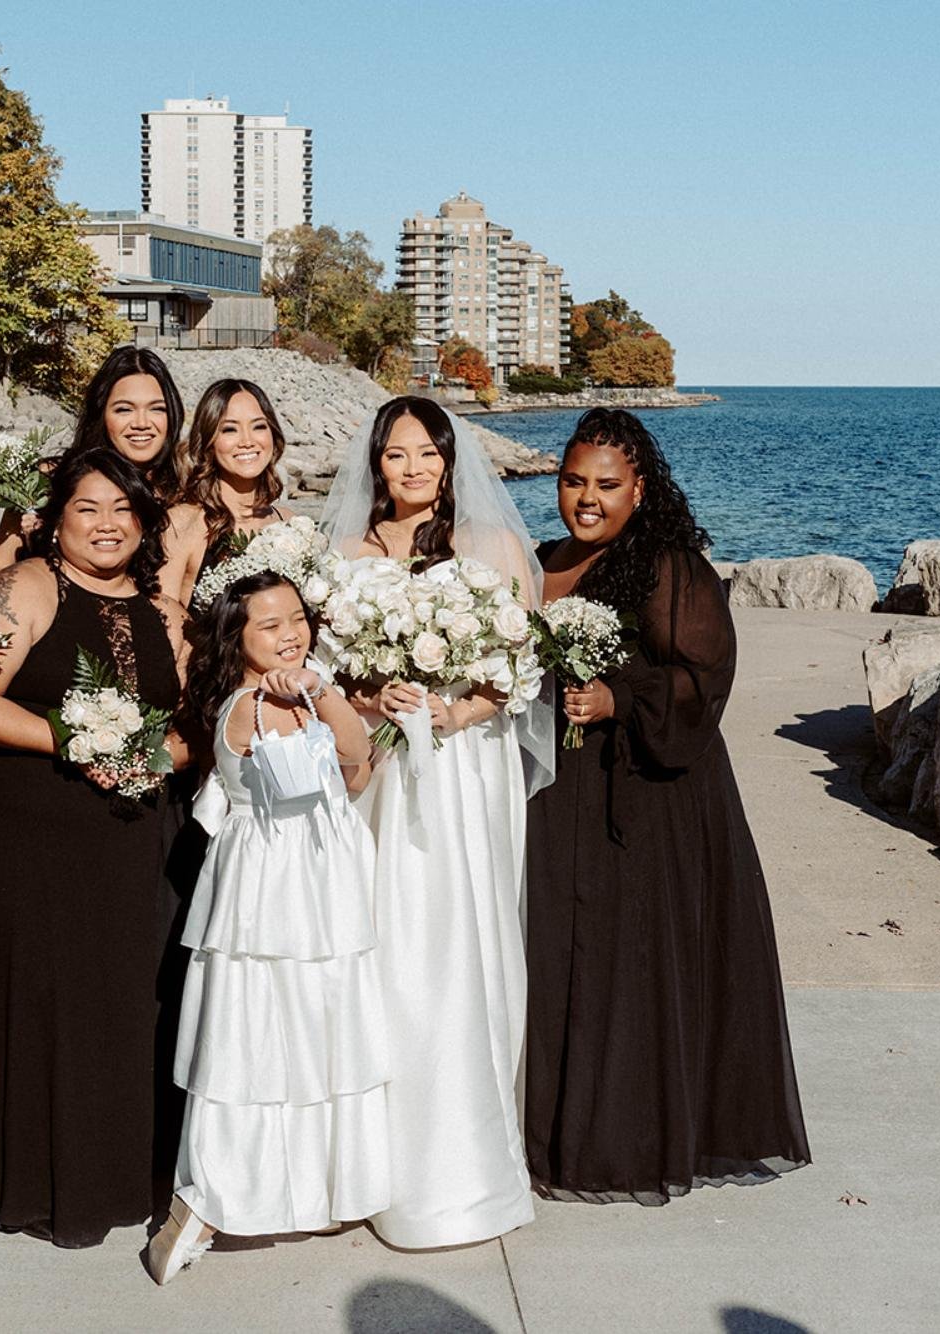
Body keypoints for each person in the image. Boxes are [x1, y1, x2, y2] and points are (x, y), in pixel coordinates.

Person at [525, 407, 810, 1204]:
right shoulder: (540, 560)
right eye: (573, 480)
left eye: (607, 485)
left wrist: (618, 696)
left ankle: (618, 1145)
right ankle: (546, 1134)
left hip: (646, 797)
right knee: (556, 960)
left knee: (628, 969)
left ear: (641, 489)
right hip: (554, 793)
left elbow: (702, 681)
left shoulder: (670, 568)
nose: (587, 499)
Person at [319, 396, 551, 1249]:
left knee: (460, 941)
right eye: (396, 455)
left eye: (428, 453)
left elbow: (525, 666)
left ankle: (465, 1168)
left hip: (463, 770)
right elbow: (323, 667)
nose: (412, 469)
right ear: (375, 463)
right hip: (382, 768)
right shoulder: (344, 553)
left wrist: (465, 711)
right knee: (386, 945)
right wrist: (372, 697)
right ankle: (379, 1165)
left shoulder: (491, 547)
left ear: (451, 461)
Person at [0, 448, 190, 1248]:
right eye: (88, 508)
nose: (107, 525)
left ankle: (112, 1175)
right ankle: (25, 1180)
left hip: (127, 836)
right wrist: (72, 741)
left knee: (117, 1003)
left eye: (124, 510)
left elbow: (191, 725)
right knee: (42, 998)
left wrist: (148, 757)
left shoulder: (166, 610)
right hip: (26, 828)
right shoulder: (26, 587)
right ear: (56, 518)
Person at [146, 570, 390, 1284]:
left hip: (326, 878)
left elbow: (357, 770)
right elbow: (294, 777)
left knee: (320, 1029)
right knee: (254, 1036)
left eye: (296, 619)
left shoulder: (309, 693)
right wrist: (299, 694)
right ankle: (206, 1200)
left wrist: (325, 692)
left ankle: (313, 1183)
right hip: (271, 885)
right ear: (239, 641)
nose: (289, 635)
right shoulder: (247, 704)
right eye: (268, 626)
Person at [0, 346, 184, 588]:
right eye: (124, 409)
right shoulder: (49, 480)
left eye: (157, 409)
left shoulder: (184, 492)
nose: (142, 423)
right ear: (101, 413)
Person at [160, 377, 295, 604]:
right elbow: (163, 618)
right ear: (209, 442)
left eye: (259, 426)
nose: (247, 441)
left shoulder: (290, 523)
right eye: (230, 429)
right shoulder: (181, 523)